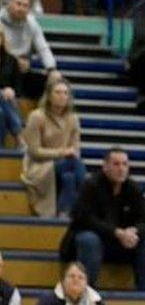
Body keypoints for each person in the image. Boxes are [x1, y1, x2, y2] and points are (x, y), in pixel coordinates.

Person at [60, 148, 145, 290]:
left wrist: (134, 231)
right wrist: (116, 232)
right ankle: (87, 293)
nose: (121, 169)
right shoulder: (91, 185)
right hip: (88, 242)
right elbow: (84, 218)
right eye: (116, 164)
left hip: (118, 244)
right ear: (105, 167)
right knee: (89, 240)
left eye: (124, 164)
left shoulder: (134, 188)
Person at [21, 78, 86, 217]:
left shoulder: (73, 118)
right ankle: (87, 201)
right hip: (40, 165)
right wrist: (61, 152)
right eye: (57, 92)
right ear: (49, 96)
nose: (62, 96)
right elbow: (34, 151)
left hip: (67, 164)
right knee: (73, 164)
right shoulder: (36, 116)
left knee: (69, 177)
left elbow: (76, 149)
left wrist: (70, 154)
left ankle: (62, 214)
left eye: (65, 93)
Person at [1, 0, 57, 98]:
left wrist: (52, 69)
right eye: (18, 4)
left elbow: (43, 48)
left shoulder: (32, 23)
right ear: (10, 3)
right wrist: (14, 61)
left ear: (29, 9)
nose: (21, 8)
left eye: (25, 6)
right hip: (3, 67)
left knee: (49, 84)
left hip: (22, 69)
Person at [0, 29, 24, 149]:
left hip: (6, 100)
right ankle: (18, 135)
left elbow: (18, 86)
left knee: (0, 112)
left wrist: (12, 91)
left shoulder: (11, 60)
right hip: (3, 97)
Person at [37, 262, 102, 305]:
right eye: (71, 276)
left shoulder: (96, 301)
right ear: (63, 281)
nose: (76, 280)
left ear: (86, 284)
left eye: (81, 278)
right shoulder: (48, 301)